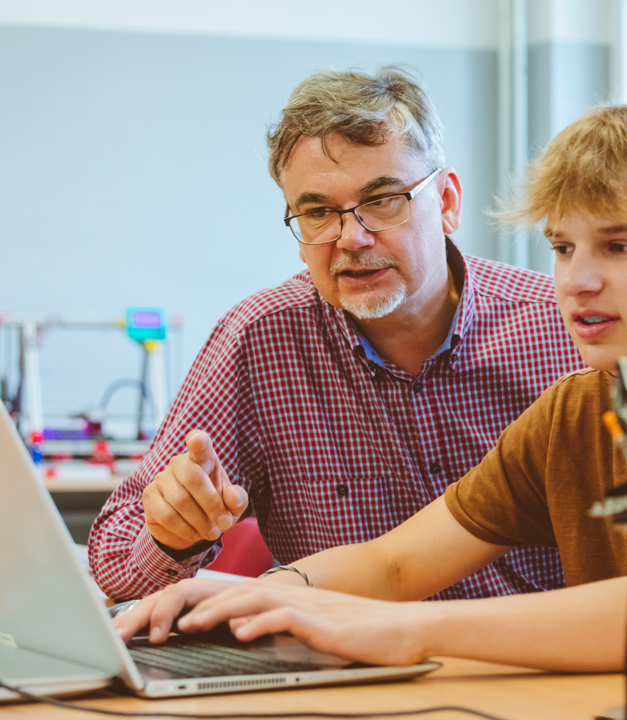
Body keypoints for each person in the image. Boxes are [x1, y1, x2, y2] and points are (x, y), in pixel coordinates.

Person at [115, 96, 627, 663]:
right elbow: (395, 565)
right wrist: (251, 596)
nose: (577, 281)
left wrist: (408, 632)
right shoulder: (573, 412)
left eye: (619, 246)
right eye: (562, 246)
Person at [89, 66, 582, 602]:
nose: (351, 237)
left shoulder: (564, 327)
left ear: (446, 202)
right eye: (318, 212)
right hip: (350, 677)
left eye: (383, 199)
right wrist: (172, 536)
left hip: (541, 670)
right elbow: (114, 559)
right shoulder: (260, 342)